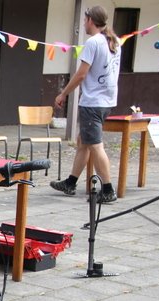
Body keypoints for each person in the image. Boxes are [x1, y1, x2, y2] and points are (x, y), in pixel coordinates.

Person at [51, 5, 121, 203]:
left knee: (96, 146)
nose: (84, 23)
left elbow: (81, 74)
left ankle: (108, 189)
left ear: (91, 20)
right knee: (84, 142)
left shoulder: (93, 43)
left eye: (85, 19)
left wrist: (63, 93)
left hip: (93, 101)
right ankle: (70, 183)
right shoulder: (114, 41)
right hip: (107, 100)